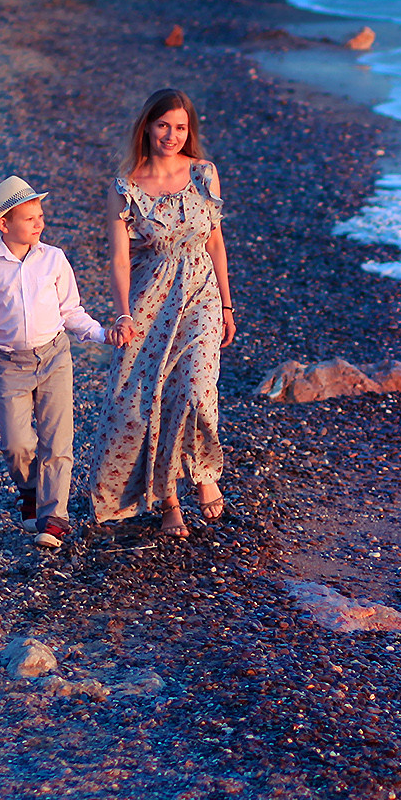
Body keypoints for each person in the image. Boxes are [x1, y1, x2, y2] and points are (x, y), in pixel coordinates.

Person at [88, 87, 235, 540]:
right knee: (147, 398)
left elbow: (215, 242)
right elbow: (118, 259)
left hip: (202, 294)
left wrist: (228, 304)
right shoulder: (125, 187)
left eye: (180, 127)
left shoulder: (204, 174)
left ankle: (204, 474)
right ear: (147, 127)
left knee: (196, 387)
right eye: (163, 125)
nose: (171, 135)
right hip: (150, 300)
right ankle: (168, 499)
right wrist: (122, 315)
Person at [0, 176, 111, 550]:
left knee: (57, 440)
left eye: (40, 216)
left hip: (54, 357)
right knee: (16, 444)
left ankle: (54, 517)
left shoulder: (54, 259)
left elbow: (71, 310)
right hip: (9, 364)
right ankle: (30, 490)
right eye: (30, 218)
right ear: (4, 224)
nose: (39, 223)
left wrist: (101, 333)